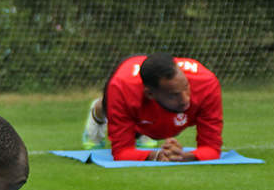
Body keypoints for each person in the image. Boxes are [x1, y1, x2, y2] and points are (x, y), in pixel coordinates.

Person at [81, 54, 223, 162]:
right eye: (174, 95)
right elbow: (122, 153)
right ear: (150, 94)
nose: (186, 99)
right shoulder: (122, 89)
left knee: (151, 129)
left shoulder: (206, 84)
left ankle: (143, 131)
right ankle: (97, 111)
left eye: (186, 87)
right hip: (132, 101)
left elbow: (212, 149)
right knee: (107, 108)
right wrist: (157, 155)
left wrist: (183, 156)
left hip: (153, 113)